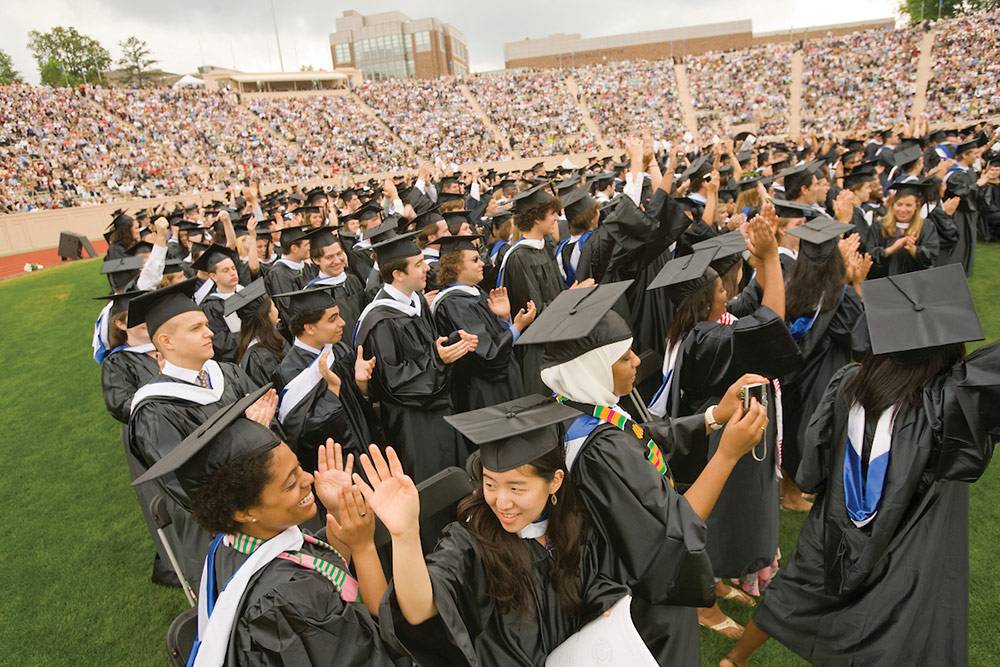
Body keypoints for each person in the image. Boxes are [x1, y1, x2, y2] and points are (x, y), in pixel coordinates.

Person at [722, 264, 1000, 667]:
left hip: (833, 528)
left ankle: (734, 660)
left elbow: (813, 468)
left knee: (794, 593)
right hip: (907, 542)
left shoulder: (850, 383)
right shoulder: (945, 405)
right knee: (894, 622)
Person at [516, 280, 775, 659]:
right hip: (640, 598)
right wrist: (728, 455)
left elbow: (638, 435)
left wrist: (713, 416)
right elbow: (671, 532)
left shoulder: (571, 406)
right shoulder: (602, 450)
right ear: (592, 370)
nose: (637, 361)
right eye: (624, 358)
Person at [132, 389, 400, 666]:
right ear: (244, 511)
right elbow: (381, 644)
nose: (309, 478)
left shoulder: (232, 546)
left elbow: (323, 573)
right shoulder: (286, 598)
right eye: (290, 483)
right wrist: (364, 546)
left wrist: (336, 514)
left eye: (298, 468)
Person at [362, 400, 633, 665]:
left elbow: (599, 582)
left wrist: (606, 607)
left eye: (516, 488)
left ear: (555, 481)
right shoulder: (470, 541)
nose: (502, 502)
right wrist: (405, 534)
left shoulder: (576, 522)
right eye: (490, 484)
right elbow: (419, 609)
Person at [645, 219, 801, 636]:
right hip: (714, 440)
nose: (727, 290)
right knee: (710, 522)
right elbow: (772, 320)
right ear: (710, 298)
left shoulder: (690, 329)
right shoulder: (710, 339)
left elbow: (750, 304)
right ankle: (703, 606)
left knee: (715, 519)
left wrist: (760, 259)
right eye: (720, 288)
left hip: (707, 432)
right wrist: (769, 257)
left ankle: (713, 583)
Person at [126, 279, 275, 584]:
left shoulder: (229, 374)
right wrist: (251, 440)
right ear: (167, 342)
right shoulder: (155, 412)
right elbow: (192, 493)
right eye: (196, 328)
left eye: (206, 325)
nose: (210, 333)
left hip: (269, 506)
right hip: (224, 540)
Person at [353, 232, 472, 483]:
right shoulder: (381, 321)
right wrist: (439, 360)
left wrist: (450, 342)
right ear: (398, 274)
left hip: (438, 409)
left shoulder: (415, 299)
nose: (426, 268)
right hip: (412, 426)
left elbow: (428, 347)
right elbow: (396, 384)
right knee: (435, 483)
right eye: (418, 265)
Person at [778, 217, 870, 510]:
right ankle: (796, 493)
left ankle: (790, 490)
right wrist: (858, 285)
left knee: (792, 430)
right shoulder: (837, 296)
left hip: (793, 375)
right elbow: (860, 342)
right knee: (820, 431)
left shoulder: (791, 284)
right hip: (825, 375)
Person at [272, 285, 378, 478]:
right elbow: (304, 435)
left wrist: (361, 384)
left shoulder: (339, 350)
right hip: (339, 466)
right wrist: (332, 392)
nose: (342, 322)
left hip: (366, 446)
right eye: (333, 318)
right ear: (309, 328)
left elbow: (359, 408)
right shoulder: (290, 372)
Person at [431, 235, 536, 413]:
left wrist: (504, 319)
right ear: (456, 265)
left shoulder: (475, 293)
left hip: (502, 387)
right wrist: (517, 327)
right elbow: (488, 355)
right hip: (484, 396)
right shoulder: (454, 304)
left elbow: (495, 338)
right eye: (475, 260)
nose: (482, 264)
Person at [497, 183, 567, 395]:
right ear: (537, 218)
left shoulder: (543, 247)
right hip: (539, 350)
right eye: (552, 213)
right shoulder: (519, 257)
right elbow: (533, 309)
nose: (557, 218)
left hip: (557, 338)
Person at [98, 290, 160, 423]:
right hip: (155, 429)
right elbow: (121, 406)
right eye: (137, 316)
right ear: (120, 324)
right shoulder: (117, 363)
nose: (145, 319)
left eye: (148, 312)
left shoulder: (169, 345)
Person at [226, 279, 289, 389]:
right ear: (267, 314)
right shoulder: (257, 357)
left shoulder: (270, 339)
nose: (276, 309)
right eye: (273, 306)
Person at [304, 228, 368, 336]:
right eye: (329, 257)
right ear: (316, 260)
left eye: (339, 253)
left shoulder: (352, 280)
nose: (337, 260)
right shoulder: (313, 294)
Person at [870, 180, 941, 276]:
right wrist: (890, 249)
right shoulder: (879, 226)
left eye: (908, 205)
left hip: (916, 283)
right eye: (899, 204)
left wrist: (914, 250)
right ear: (893, 205)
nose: (903, 210)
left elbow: (932, 256)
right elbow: (868, 254)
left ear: (916, 206)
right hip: (883, 283)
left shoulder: (926, 226)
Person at [194, 244, 246, 363]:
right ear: (213, 276)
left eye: (233, 268)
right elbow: (221, 343)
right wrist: (252, 333)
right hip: (238, 361)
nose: (233, 273)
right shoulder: (210, 306)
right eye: (225, 270)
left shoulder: (245, 292)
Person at [265, 226, 311, 329]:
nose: (309, 247)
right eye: (306, 244)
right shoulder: (278, 273)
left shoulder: (305, 266)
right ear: (294, 248)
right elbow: (286, 309)